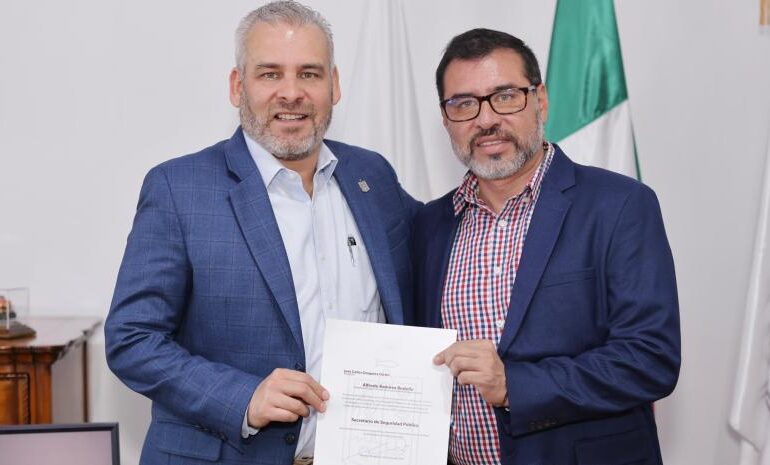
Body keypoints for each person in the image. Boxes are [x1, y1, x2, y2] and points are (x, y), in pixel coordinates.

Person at [105, 2, 418, 464]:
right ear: (238, 86)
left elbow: (442, 245)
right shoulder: (179, 188)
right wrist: (242, 398)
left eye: (309, 73)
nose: (291, 93)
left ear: (334, 85)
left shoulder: (372, 177)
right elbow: (131, 338)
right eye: (270, 74)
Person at [410, 28, 680, 465]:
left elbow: (650, 359)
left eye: (505, 96)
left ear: (541, 100)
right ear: (446, 119)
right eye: (463, 104)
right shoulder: (429, 226)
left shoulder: (619, 205)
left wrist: (514, 386)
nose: (485, 119)